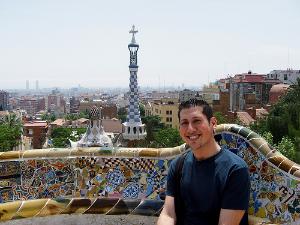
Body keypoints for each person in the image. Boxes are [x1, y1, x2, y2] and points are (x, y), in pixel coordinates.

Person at [157, 99, 250, 225]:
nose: (190, 129)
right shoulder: (179, 165)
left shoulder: (235, 170)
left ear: (213, 123)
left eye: (197, 121)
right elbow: (168, 214)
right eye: (184, 123)